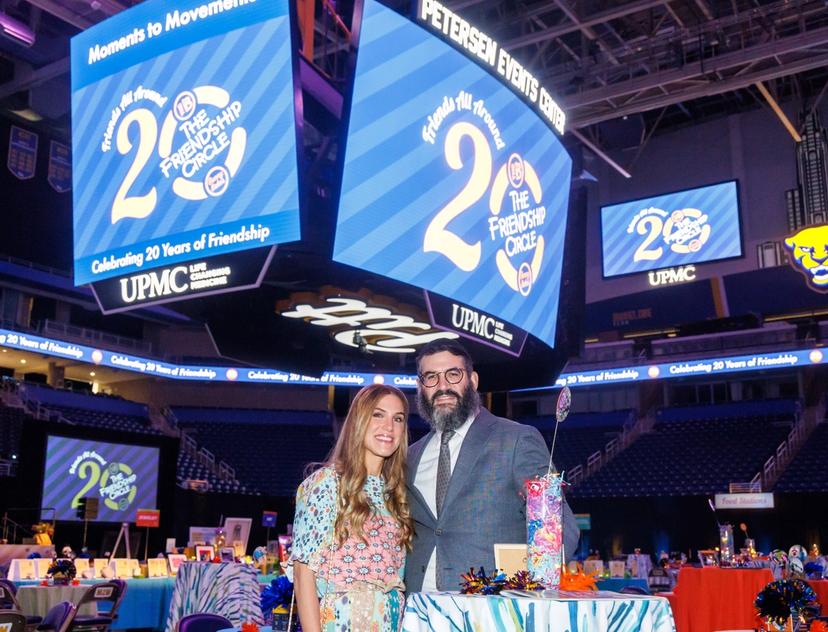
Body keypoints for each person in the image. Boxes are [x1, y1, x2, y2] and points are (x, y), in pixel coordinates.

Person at [405, 339, 579, 592]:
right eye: (431, 377)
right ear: (421, 387)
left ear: (473, 381)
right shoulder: (411, 455)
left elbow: (559, 528)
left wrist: (533, 593)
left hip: (491, 610)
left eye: (453, 375)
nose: (442, 386)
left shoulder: (517, 439)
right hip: (418, 610)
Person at [289, 384, 414, 632]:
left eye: (397, 419)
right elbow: (303, 574)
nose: (389, 427)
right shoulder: (327, 483)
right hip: (341, 622)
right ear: (359, 421)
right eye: (377, 414)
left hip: (390, 621)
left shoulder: (397, 494)